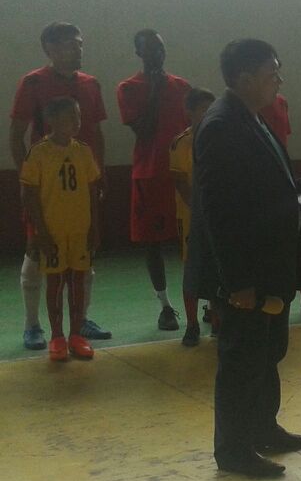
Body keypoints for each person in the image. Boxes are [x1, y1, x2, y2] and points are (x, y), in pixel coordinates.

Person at [188, 38, 301, 478]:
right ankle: (233, 450)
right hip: (247, 272)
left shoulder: (252, 117)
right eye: (271, 73)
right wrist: (238, 282)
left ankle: (263, 427)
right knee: (242, 360)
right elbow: (219, 212)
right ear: (245, 79)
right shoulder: (221, 125)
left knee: (267, 352)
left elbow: (266, 184)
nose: (279, 80)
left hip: (270, 264)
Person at [10, 22, 112, 348]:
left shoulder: (91, 84)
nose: (78, 49)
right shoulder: (33, 82)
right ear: (50, 49)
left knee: (84, 253)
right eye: (70, 44)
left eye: (79, 43)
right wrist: (29, 180)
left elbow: (96, 133)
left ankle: (80, 321)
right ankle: (32, 325)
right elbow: (16, 135)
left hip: (81, 185)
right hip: (46, 189)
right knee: (37, 250)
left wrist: (99, 175)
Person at [117, 29, 192, 332]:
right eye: (150, 49)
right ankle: (165, 306)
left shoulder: (182, 87)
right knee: (152, 242)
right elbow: (144, 130)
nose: (157, 53)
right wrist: (154, 92)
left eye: (160, 47)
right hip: (149, 175)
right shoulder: (128, 88)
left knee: (193, 237)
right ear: (139, 53)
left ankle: (204, 301)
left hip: (182, 174)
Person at [19, 97, 101, 361]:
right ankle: (57, 336)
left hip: (80, 229)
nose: (76, 122)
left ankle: (76, 335)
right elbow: (29, 195)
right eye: (70, 117)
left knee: (78, 282)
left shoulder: (83, 151)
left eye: (78, 116)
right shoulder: (39, 152)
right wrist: (40, 232)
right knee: (54, 283)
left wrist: (94, 227)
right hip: (52, 231)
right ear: (51, 120)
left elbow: (92, 190)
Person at [259, 91, 301, 314]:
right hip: (265, 179)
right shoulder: (250, 107)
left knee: (295, 241)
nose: (277, 80)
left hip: (283, 174)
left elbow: (282, 143)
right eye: (272, 75)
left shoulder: (282, 102)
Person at [169, 88, 217, 345]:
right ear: (189, 112)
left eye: (212, 109)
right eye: (203, 109)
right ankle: (192, 324)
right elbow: (180, 181)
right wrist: (199, 210)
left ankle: (217, 318)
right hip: (191, 217)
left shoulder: (220, 137)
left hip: (216, 216)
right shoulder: (182, 143)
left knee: (217, 267)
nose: (209, 114)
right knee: (192, 269)